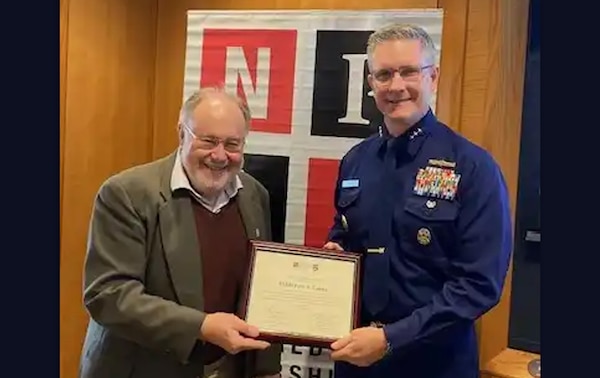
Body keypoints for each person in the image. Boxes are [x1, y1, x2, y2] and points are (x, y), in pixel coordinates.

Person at [323, 23, 513, 378]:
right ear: (370, 83)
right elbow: (346, 230)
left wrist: (391, 338)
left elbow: (479, 285)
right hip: (356, 362)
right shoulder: (355, 161)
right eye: (384, 75)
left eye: (409, 72)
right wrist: (336, 250)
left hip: (434, 364)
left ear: (433, 77)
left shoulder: (473, 168)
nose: (396, 86)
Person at [78, 87, 282, 378]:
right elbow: (108, 295)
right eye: (209, 141)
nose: (220, 155)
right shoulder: (127, 194)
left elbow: (261, 290)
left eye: (233, 144)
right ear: (182, 134)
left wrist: (266, 369)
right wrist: (201, 326)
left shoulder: (254, 195)